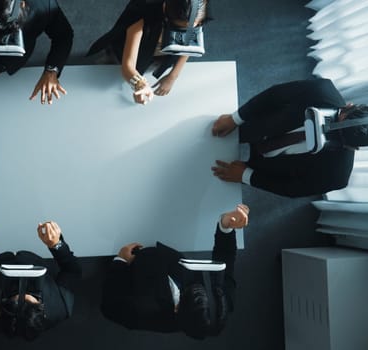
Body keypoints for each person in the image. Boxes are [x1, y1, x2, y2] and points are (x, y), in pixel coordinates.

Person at [101, 204, 248, 339]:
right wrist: (226, 226)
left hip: (127, 266)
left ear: (177, 308)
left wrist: (120, 262)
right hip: (159, 246)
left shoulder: (148, 313)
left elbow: (110, 308)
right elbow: (225, 256)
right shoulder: (221, 298)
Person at [211, 78, 368, 197]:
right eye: (330, 120)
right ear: (349, 105)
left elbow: (292, 189)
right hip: (259, 124)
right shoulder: (321, 90)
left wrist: (247, 176)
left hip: (265, 168)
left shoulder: (336, 176)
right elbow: (274, 95)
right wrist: (236, 118)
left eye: (335, 137)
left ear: (353, 147)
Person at [0, 221, 81, 340]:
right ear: (44, 311)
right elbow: (72, 271)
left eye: (15, 294)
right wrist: (56, 245)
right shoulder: (61, 307)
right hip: (34, 255)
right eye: (31, 294)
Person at [87, 0, 211, 105]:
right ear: (165, 13)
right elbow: (128, 65)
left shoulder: (196, 12)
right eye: (180, 29)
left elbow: (191, 45)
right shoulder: (142, 13)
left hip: (161, 56)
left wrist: (173, 76)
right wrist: (139, 84)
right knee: (101, 76)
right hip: (125, 51)